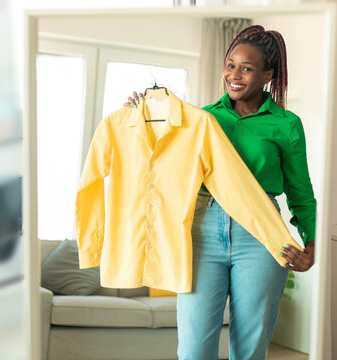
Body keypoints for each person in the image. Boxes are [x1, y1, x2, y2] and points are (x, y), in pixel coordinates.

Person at [124, 25, 316, 360]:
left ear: (267, 75)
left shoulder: (286, 124)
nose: (234, 75)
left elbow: (301, 192)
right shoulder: (201, 118)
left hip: (260, 236)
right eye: (230, 65)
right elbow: (160, 165)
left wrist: (311, 244)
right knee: (194, 348)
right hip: (202, 230)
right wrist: (138, 115)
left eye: (246, 68)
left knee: (249, 350)